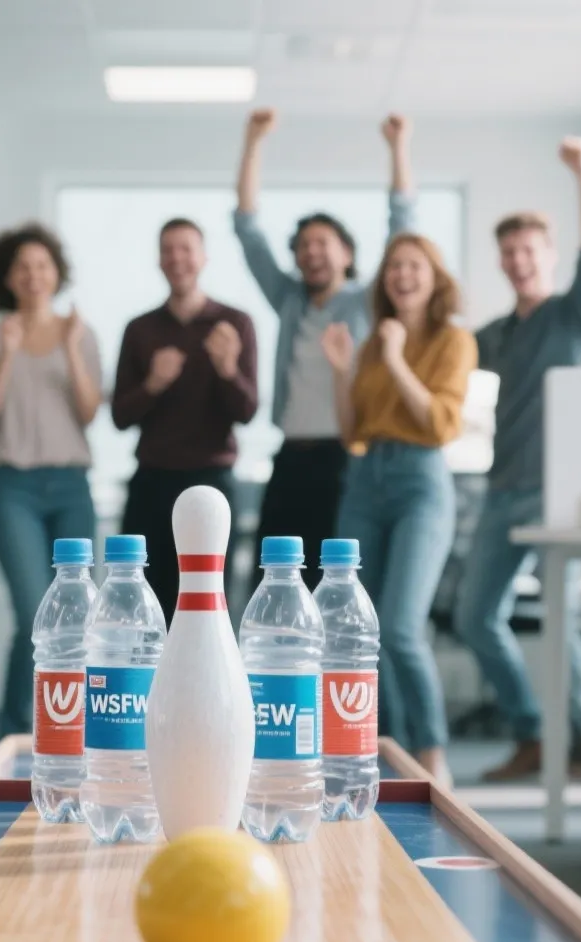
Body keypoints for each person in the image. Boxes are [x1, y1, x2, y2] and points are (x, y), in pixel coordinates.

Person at [458, 136, 581, 783]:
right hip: (502, 490)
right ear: (501, 262)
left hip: (558, 492)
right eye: (509, 252)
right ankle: (532, 731)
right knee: (474, 618)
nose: (519, 261)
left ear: (547, 256)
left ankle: (579, 743)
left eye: (529, 250)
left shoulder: (569, 317)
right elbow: (447, 360)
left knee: (560, 622)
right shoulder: (496, 335)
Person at [236, 109, 414, 587]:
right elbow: (249, 232)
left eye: (323, 243)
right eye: (303, 246)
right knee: (270, 586)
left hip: (346, 461)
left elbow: (402, 229)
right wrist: (253, 142)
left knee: (331, 590)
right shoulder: (289, 300)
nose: (312, 252)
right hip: (290, 457)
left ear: (347, 253)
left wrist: (398, 148)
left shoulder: (367, 302)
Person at [322, 234, 476, 787]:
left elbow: (439, 423)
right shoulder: (370, 343)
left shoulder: (453, 340)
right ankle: (379, 748)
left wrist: (393, 355)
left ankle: (432, 754)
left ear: (434, 277)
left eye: (414, 266)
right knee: (357, 629)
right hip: (366, 480)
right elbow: (350, 432)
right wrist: (344, 370)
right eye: (393, 268)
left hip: (420, 480)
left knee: (402, 627)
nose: (402, 276)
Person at [0, 223, 102, 740]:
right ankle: (16, 735)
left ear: (56, 272)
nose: (33, 275)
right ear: (6, 277)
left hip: (71, 488)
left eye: (42, 265)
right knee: (32, 617)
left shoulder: (80, 333)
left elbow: (90, 412)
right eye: (22, 267)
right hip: (14, 489)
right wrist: (7, 353)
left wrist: (70, 349)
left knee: (75, 620)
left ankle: (71, 733)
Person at [111, 218, 259, 616]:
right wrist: (153, 384)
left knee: (209, 607)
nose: (177, 258)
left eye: (186, 249)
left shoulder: (235, 323)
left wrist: (227, 369)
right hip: (151, 483)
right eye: (168, 250)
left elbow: (247, 411)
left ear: (203, 257)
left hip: (212, 482)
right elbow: (120, 417)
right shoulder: (139, 329)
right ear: (159, 260)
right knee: (142, 609)